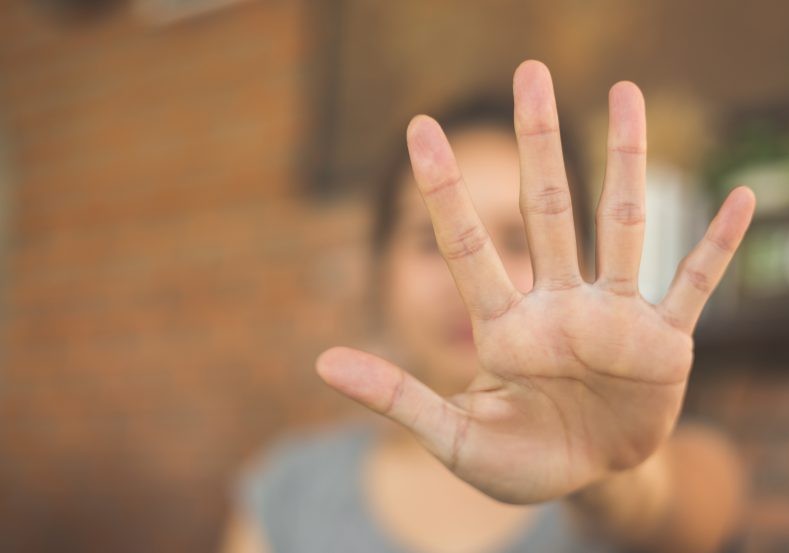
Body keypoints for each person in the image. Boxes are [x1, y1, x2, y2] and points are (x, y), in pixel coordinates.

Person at [221, 60, 753, 553]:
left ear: (585, 268)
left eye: (519, 241)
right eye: (432, 241)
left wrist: (610, 474)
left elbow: (687, 510)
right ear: (380, 269)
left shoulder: (674, 468)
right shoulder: (289, 491)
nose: (469, 280)